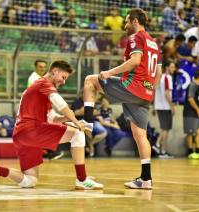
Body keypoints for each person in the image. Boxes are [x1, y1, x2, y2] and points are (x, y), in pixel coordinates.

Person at [0, 61, 104, 190]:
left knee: (30, 181)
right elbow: (60, 102)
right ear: (54, 71)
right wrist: (75, 121)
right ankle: (82, 179)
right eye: (63, 77)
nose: (64, 82)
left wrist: (64, 118)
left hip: (22, 135)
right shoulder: (43, 83)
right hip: (32, 130)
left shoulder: (41, 90)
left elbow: (51, 118)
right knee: (78, 134)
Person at [82, 8, 162, 189]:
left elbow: (134, 61)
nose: (124, 25)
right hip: (146, 93)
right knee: (140, 134)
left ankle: (87, 123)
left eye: (126, 21)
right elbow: (158, 72)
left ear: (135, 21)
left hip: (132, 86)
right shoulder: (154, 44)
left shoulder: (136, 37)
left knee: (90, 80)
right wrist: (150, 90)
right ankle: (146, 179)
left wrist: (109, 72)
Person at [28, 59, 64, 160]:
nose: (42, 69)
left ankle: (49, 152)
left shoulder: (42, 78)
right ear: (35, 67)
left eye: (44, 67)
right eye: (40, 67)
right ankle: (51, 152)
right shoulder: (33, 78)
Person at [71, 90, 107, 157]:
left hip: (94, 121)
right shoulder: (77, 102)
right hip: (82, 121)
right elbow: (75, 113)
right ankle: (90, 147)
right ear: (82, 94)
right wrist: (88, 112)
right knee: (88, 133)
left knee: (104, 132)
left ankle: (91, 144)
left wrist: (84, 111)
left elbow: (97, 112)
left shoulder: (91, 102)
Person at [183, 69, 199, 159]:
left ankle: (198, 151)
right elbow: (190, 99)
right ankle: (190, 152)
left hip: (197, 114)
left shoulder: (198, 87)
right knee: (190, 133)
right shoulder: (192, 85)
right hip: (190, 113)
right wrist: (198, 110)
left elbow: (198, 101)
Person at [153, 60, 176, 158]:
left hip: (159, 106)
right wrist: (172, 106)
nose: (173, 69)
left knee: (164, 129)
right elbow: (167, 94)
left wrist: (154, 106)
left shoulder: (158, 77)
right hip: (165, 107)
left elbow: (154, 92)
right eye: (172, 67)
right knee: (165, 129)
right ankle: (157, 145)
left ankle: (162, 151)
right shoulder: (167, 77)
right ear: (167, 67)